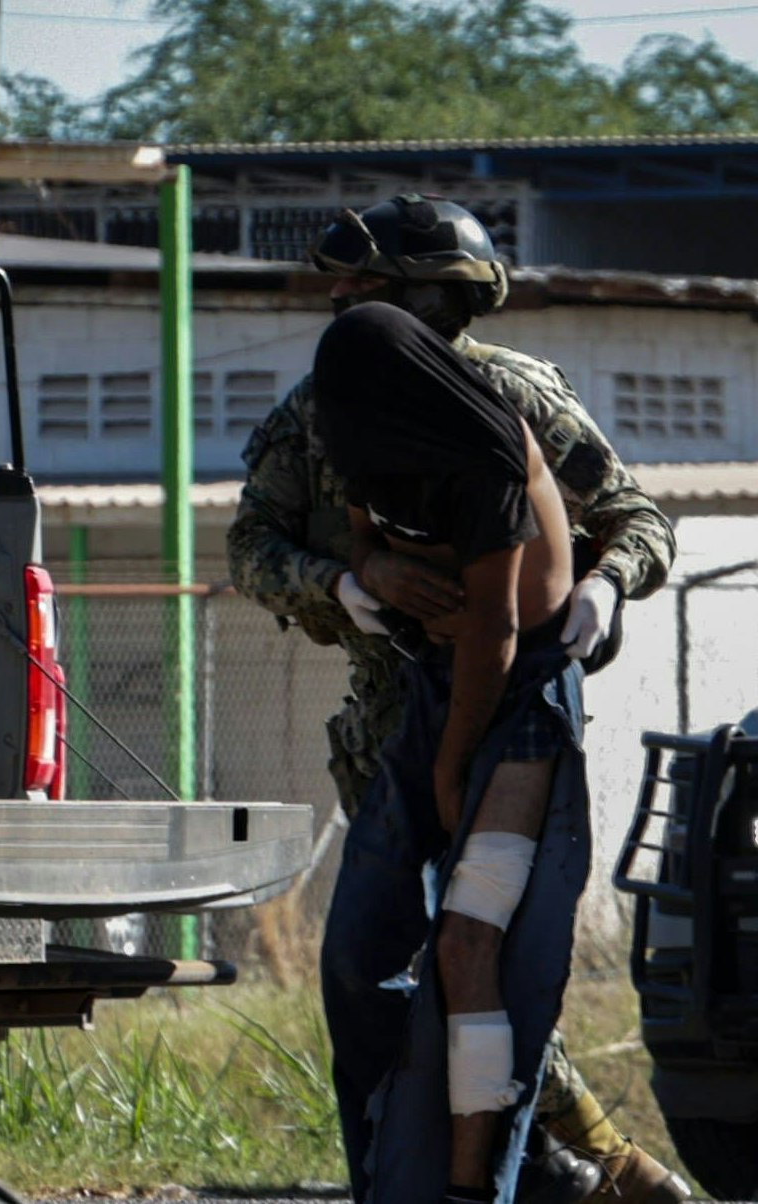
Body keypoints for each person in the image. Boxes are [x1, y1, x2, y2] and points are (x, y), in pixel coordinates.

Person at [227, 195, 683, 1203]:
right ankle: (453, 1175)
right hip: (387, 726)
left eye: (367, 290)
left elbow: (638, 517)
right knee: (368, 971)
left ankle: (537, 1172)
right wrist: (352, 584)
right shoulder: (322, 407)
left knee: (478, 963)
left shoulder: (514, 397)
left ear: (432, 296)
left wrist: (607, 587)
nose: (340, 306)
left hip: (504, 726)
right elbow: (252, 546)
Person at [307, 299, 596, 1204]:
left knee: (472, 943)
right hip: (435, 686)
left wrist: (449, 764)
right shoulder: (356, 429)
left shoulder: (487, 449)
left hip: (518, 699)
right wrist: (370, 574)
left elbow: (499, 630)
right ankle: (388, 1181)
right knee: (358, 956)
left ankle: (476, 1189)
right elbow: (362, 532)